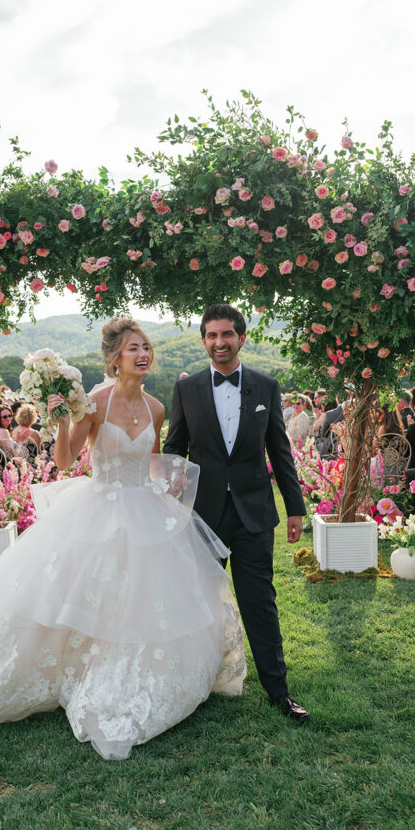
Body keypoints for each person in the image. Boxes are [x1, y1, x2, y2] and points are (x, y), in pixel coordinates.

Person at [0, 317, 245, 760]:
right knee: (82, 594)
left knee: (144, 598)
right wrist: (64, 421)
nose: (143, 354)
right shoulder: (94, 404)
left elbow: (151, 460)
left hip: (145, 507)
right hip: (99, 508)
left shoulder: (156, 408)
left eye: (146, 347)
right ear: (114, 358)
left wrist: (172, 490)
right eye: (133, 349)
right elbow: (67, 461)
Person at [163, 303, 309, 722]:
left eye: (226, 334)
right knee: (196, 601)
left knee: (259, 601)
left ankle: (279, 692)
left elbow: (280, 452)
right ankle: (192, 684)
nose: (219, 342)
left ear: (241, 338)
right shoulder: (186, 390)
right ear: (204, 340)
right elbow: (176, 444)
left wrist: (295, 508)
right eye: (211, 335)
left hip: (254, 514)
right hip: (203, 514)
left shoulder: (266, 386)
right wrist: (169, 476)